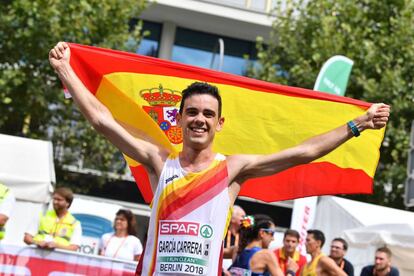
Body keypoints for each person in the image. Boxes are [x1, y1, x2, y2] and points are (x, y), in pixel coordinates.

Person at [49, 42, 390, 275]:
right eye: (192, 112)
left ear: (219, 123)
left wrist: (357, 124)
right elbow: (101, 119)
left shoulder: (232, 169)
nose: (200, 119)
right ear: (179, 119)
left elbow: (303, 152)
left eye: (208, 114)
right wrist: (66, 70)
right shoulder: (158, 160)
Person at [24, 187, 82, 251]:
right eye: (54, 199)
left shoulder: (74, 223)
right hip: (36, 256)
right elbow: (27, 238)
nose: (55, 202)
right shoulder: (42, 215)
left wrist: (57, 246)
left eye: (59, 200)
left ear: (67, 203)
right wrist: (37, 242)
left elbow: (74, 247)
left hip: (58, 259)